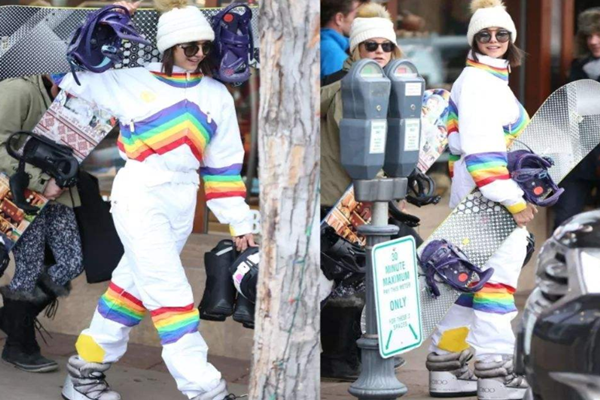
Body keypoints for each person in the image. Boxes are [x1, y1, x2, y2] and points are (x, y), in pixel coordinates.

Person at [58, 1, 255, 399]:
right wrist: (111, 19)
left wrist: (239, 221)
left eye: (205, 46)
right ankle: (206, 390)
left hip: (183, 199)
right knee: (171, 294)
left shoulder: (217, 94)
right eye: (189, 47)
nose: (199, 54)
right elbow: (69, 74)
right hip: (140, 193)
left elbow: (222, 168)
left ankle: (84, 372)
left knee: (130, 291)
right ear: (168, 46)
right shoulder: (129, 79)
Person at [426, 1, 537, 399]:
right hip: (490, 200)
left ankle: (446, 366)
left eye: (501, 34)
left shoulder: (484, 79)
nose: (493, 40)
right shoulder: (480, 84)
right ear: (473, 39)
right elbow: (483, 155)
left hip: (476, 198)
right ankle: (495, 373)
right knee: (497, 286)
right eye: (484, 34)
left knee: (466, 284)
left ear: (511, 39)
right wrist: (513, 201)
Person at [320, 2, 407, 381]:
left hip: (362, 195)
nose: (379, 52)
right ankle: (343, 357)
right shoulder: (355, 86)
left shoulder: (380, 82)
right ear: (355, 49)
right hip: (345, 197)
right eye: (370, 45)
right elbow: (358, 145)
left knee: (354, 278)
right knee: (349, 280)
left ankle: (355, 352)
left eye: (386, 46)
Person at [0, 73, 83, 373]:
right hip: (21, 195)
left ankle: (12, 318)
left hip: (58, 194)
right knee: (29, 268)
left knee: (72, 261)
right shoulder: (18, 90)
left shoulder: (75, 99)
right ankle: (19, 344)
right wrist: (40, 181)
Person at [552, 7, 600, 229]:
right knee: (564, 222)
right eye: (588, 35)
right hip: (579, 160)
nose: (593, 41)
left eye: (598, 34)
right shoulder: (578, 67)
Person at [320, 0, 366, 79]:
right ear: (339, 19)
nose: (356, 22)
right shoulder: (333, 53)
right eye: (354, 16)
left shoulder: (323, 44)